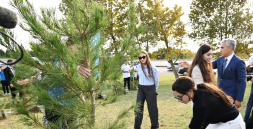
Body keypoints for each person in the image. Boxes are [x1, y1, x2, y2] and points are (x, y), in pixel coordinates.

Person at [180, 39, 247, 108]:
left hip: (231, 97)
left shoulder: (239, 62)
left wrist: (239, 99)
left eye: (222, 47)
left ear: (229, 48)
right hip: (218, 97)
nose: (220, 50)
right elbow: (205, 65)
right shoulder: (220, 59)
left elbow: (242, 82)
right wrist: (191, 65)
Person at [172, 76, 245, 129]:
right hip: (221, 121)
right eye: (177, 97)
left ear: (190, 91)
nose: (179, 100)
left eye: (180, 97)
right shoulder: (199, 90)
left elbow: (194, 126)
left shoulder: (202, 103)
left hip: (231, 123)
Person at [134, 50, 159, 129]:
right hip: (141, 88)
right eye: (140, 57)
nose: (142, 59)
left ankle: (154, 126)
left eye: (143, 57)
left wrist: (153, 89)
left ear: (147, 57)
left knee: (152, 109)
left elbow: (156, 80)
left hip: (150, 89)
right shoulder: (138, 67)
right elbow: (139, 77)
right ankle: (137, 127)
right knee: (138, 108)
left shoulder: (152, 68)